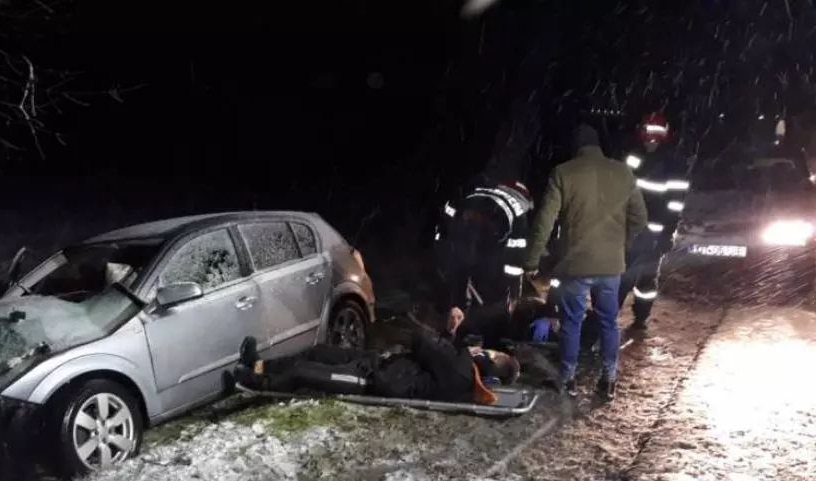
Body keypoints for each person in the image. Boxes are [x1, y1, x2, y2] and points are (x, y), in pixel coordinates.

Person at [523, 124, 648, 399]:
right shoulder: (622, 172)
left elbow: (544, 221)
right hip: (611, 265)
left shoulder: (563, 173)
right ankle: (609, 379)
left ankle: (568, 379)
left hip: (576, 264)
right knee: (608, 321)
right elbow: (640, 218)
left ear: (575, 147)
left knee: (572, 322)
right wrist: (621, 245)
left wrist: (531, 260)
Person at [233, 334, 518, 405]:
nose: (487, 350)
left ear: (491, 364)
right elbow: (433, 354)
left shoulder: (462, 371)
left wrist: (460, 347)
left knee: (304, 371)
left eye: (493, 353)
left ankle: (259, 383)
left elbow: (421, 342)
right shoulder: (461, 367)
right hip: (379, 363)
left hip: (372, 380)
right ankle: (259, 364)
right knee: (319, 352)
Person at [618, 112, 690, 331]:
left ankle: (639, 317)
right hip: (633, 228)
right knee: (628, 275)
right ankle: (612, 317)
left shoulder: (673, 162)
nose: (651, 141)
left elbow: (675, 202)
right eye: (648, 135)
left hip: (652, 231)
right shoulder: (637, 156)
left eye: (654, 136)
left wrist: (668, 231)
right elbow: (622, 187)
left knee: (642, 278)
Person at [435, 179, 534, 310]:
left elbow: (449, 210)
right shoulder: (518, 213)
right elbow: (514, 260)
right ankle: (475, 312)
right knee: (484, 279)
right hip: (489, 238)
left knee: (459, 269)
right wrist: (513, 292)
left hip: (461, 228)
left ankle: (452, 306)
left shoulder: (478, 191)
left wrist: (441, 240)